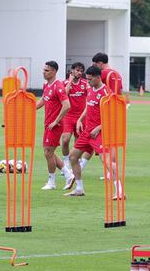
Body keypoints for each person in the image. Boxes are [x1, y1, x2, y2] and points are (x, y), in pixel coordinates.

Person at [65, 65, 120, 199]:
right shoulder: (90, 89)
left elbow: (113, 115)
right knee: (72, 156)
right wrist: (80, 119)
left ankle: (119, 190)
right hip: (87, 132)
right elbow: (88, 106)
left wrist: (99, 127)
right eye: (87, 79)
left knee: (106, 161)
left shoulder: (106, 93)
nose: (87, 82)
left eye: (90, 79)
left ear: (97, 77)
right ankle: (79, 188)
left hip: (100, 132)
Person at [34, 60, 73, 190]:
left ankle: (52, 182)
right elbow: (43, 100)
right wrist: (31, 108)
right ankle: (68, 174)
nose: (44, 72)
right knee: (48, 152)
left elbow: (67, 105)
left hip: (54, 125)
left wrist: (56, 121)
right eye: (44, 70)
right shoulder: (47, 85)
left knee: (48, 152)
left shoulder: (58, 86)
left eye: (47, 70)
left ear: (54, 71)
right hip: (48, 123)